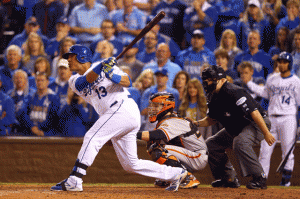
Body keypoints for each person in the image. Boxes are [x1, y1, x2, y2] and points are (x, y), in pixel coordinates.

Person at [50, 44, 188, 192]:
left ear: (81, 57)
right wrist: (101, 67)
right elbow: (86, 81)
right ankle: (176, 173)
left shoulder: (105, 66)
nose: (68, 61)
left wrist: (112, 75)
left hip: (123, 108)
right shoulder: (74, 80)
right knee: (130, 164)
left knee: (92, 136)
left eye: (70, 57)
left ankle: (75, 179)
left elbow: (127, 81)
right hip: (115, 116)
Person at [190, 65, 276, 189]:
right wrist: (196, 123)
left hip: (256, 123)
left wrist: (266, 133)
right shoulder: (212, 95)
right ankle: (228, 178)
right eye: (206, 80)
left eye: (211, 79)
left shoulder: (234, 91)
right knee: (211, 145)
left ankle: (259, 178)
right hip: (237, 126)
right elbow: (211, 119)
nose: (208, 83)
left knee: (240, 142)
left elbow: (254, 113)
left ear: (222, 80)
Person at [245, 52, 300, 187]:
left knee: (287, 152)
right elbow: (265, 93)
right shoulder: (272, 78)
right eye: (280, 61)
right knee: (264, 151)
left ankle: (285, 184)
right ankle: (261, 180)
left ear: (289, 63)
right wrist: (249, 84)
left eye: (284, 62)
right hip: (272, 119)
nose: (281, 64)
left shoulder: (296, 81)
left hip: (288, 118)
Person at [137, 92, 208, 189]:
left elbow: (157, 134)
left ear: (166, 106)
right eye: (152, 105)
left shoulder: (172, 121)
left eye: (156, 105)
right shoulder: (170, 118)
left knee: (157, 149)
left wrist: (132, 134)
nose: (152, 108)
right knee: (153, 143)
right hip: (191, 154)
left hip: (197, 156)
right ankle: (173, 176)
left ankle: (187, 177)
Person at [19, 71, 61, 136]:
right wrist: (32, 127)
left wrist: (38, 129)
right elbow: (24, 113)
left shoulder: (54, 98)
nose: (39, 82)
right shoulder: (30, 96)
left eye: (42, 80)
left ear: (47, 82)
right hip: (30, 131)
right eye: (38, 80)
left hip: (46, 133)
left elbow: (53, 118)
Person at [8, 69, 36, 136]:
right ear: (13, 80)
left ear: (26, 80)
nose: (19, 80)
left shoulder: (33, 94)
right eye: (16, 78)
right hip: (12, 129)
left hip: (28, 130)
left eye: (21, 78)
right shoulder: (9, 95)